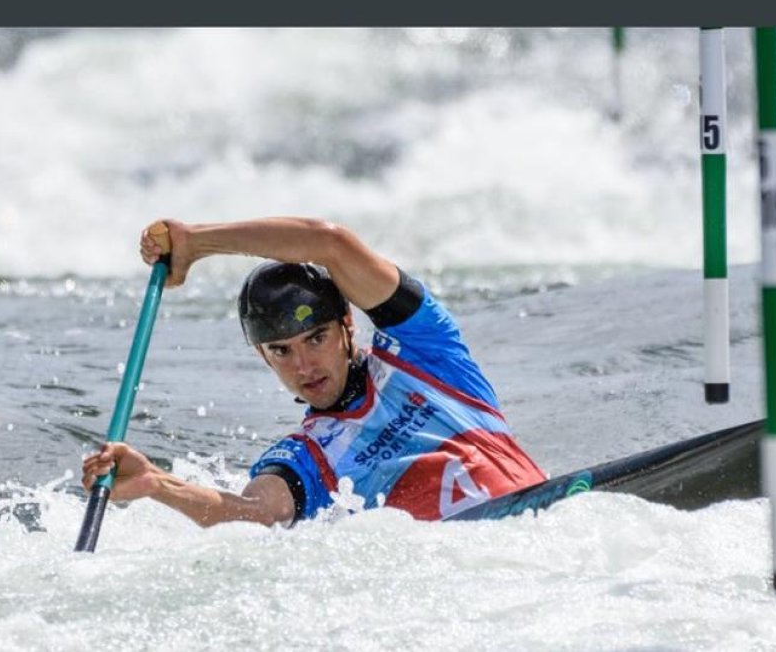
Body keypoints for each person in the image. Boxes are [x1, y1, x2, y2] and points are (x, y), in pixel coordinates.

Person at [80, 217, 547, 527]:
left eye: (316, 339)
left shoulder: (425, 351)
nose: (303, 365)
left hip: (549, 522)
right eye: (281, 351)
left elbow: (329, 243)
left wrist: (197, 243)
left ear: (348, 325)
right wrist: (157, 484)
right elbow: (255, 513)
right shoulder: (307, 455)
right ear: (264, 358)